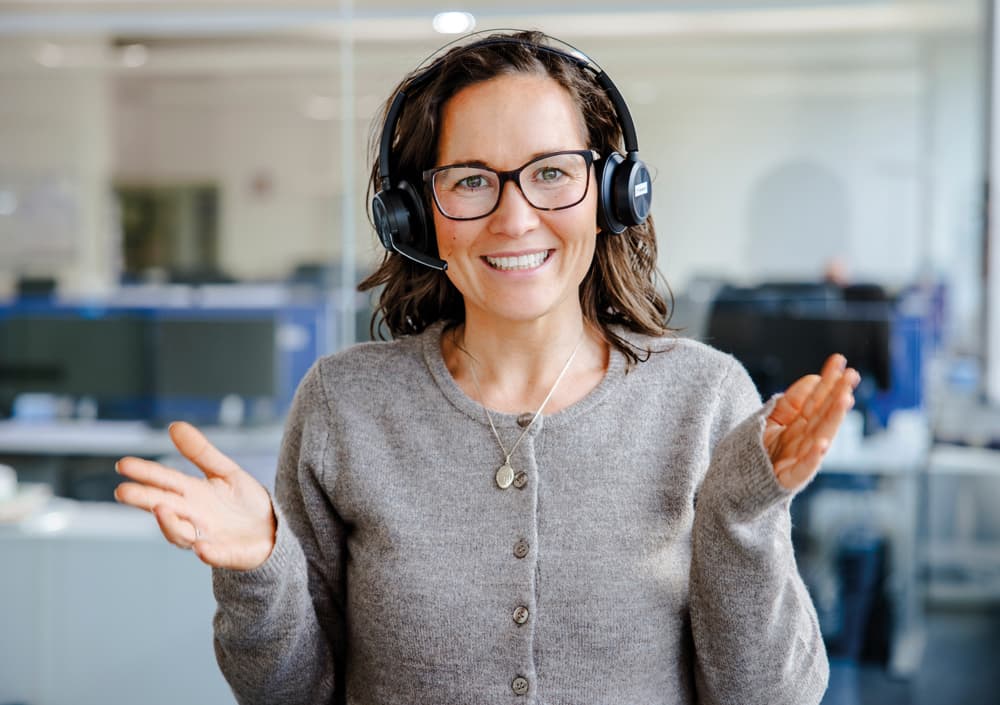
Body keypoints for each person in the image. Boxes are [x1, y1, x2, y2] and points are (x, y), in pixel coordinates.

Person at [114, 30, 859, 705]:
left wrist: (741, 513)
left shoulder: (702, 397)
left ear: (609, 194)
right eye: (470, 179)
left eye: (552, 173)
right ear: (414, 214)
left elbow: (770, 698)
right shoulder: (345, 404)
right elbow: (290, 694)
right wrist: (258, 568)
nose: (515, 218)